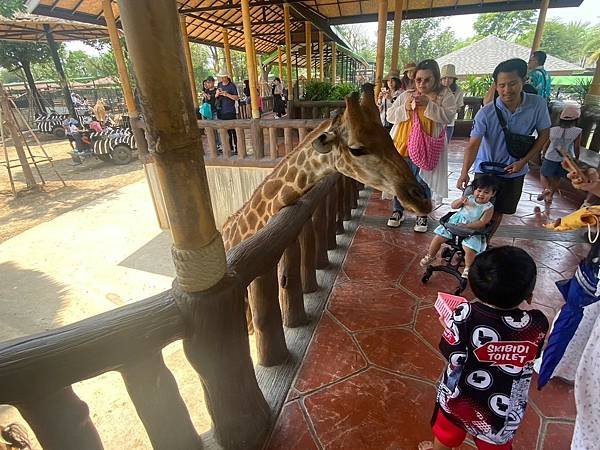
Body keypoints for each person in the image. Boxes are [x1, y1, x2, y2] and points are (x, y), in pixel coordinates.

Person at [419, 246, 549, 450]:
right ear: (529, 295)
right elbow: (531, 354)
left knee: (446, 433)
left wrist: (450, 327)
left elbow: (452, 354)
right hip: (503, 410)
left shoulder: (466, 314)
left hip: (459, 397)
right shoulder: (536, 324)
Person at [457, 58, 551, 240]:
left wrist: (523, 162)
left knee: (499, 211)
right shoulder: (486, 112)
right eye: (502, 85)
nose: (507, 90)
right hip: (485, 171)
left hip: (514, 172)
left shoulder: (537, 104)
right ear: (496, 86)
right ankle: (469, 242)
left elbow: (544, 135)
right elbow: (473, 144)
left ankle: (484, 241)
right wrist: (464, 173)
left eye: (512, 84)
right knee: (475, 208)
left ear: (524, 81)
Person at [387, 59, 456, 232]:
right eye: (419, 80)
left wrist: (429, 105)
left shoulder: (444, 96)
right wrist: (406, 108)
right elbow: (390, 115)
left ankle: (422, 214)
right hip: (402, 144)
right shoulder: (405, 95)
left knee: (423, 180)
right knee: (400, 180)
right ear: (413, 79)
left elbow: (448, 117)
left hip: (427, 147)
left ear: (435, 79)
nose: (422, 84)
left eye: (427, 80)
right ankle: (398, 210)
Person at [419, 175, 497, 278]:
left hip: (472, 231)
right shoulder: (468, 198)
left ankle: (468, 267)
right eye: (479, 191)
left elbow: (483, 222)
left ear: (493, 194)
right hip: (454, 226)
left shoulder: (488, 207)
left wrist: (468, 226)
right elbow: (453, 206)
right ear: (474, 190)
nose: (481, 194)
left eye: (486, 192)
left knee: (469, 248)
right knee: (437, 238)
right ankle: (430, 255)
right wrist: (460, 201)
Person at [538, 104, 582, 204]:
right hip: (565, 159)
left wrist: (543, 153)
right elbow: (576, 147)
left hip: (550, 156)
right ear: (576, 119)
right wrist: (576, 158)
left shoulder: (553, 129)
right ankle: (550, 196)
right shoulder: (577, 131)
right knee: (557, 177)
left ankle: (545, 190)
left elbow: (547, 143)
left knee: (543, 174)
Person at [440, 64, 464, 143]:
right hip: (437, 123)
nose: (447, 80)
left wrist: (453, 109)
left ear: (454, 79)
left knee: (445, 145)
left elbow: (459, 107)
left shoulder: (458, 91)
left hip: (449, 124)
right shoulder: (436, 90)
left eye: (450, 78)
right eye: (444, 78)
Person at [216, 73, 239, 153]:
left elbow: (236, 98)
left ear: (227, 76)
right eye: (221, 77)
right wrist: (218, 93)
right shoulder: (219, 85)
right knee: (226, 131)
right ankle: (230, 148)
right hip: (222, 111)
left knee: (233, 131)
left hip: (230, 111)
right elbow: (216, 96)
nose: (222, 78)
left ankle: (237, 148)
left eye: (223, 76)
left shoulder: (232, 85)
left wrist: (227, 94)